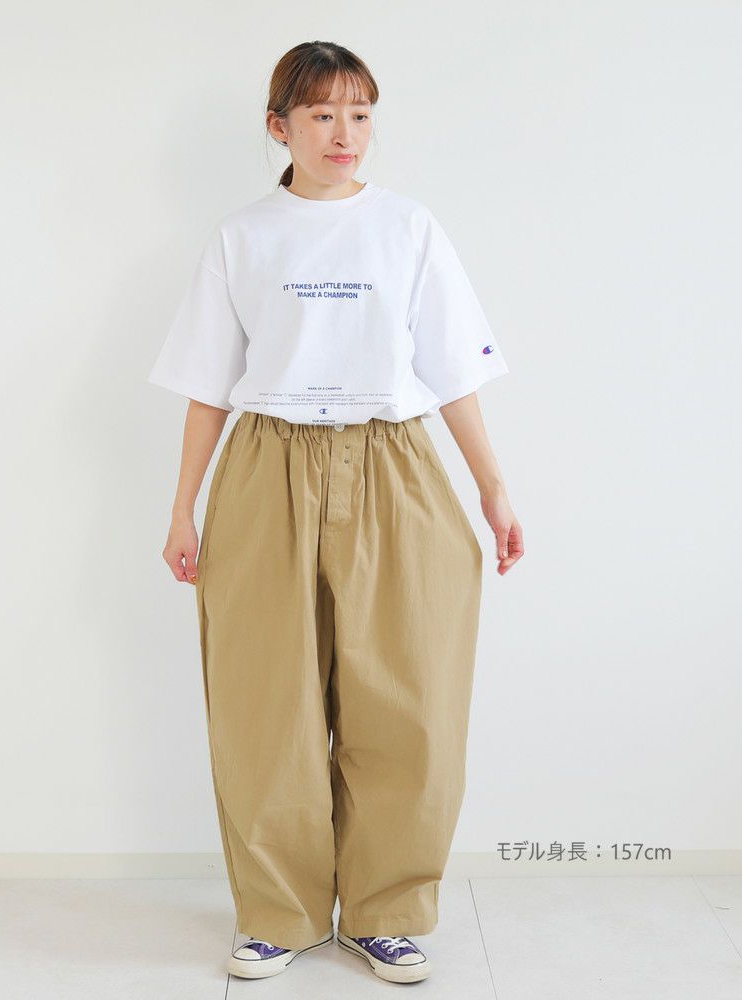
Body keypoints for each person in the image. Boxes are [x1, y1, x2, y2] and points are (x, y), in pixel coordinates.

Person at [148, 40, 524, 985]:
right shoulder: (243, 236)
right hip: (266, 463)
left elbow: (454, 370)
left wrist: (492, 487)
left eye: (359, 113)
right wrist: (182, 508)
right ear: (279, 127)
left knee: (408, 700)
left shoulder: (408, 228)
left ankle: (386, 912)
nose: (343, 133)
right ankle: (278, 915)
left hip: (394, 462)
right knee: (264, 702)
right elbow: (206, 385)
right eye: (321, 114)